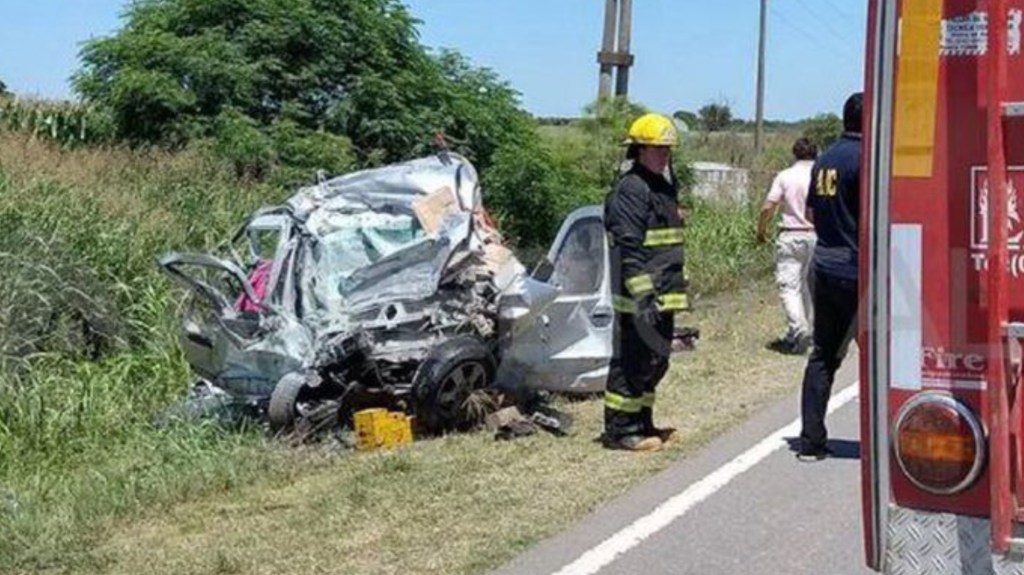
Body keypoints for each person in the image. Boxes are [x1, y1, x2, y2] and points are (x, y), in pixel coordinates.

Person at [603, 113, 689, 452]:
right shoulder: (631, 190)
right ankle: (621, 431)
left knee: (656, 360)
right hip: (640, 296)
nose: (664, 155)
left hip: (664, 293)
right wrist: (643, 296)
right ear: (638, 150)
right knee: (631, 363)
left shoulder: (662, 186)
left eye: (668, 149)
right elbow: (630, 249)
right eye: (657, 149)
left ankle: (644, 422)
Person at [797, 92, 864, 462]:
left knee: (823, 354)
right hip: (857, 269)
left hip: (823, 264)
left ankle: (810, 442)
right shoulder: (865, 159)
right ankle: (882, 442)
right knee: (878, 358)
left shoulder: (824, 160)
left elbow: (810, 212)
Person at [757, 137, 818, 355]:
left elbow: (768, 206)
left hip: (791, 235)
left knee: (789, 287)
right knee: (808, 287)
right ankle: (805, 329)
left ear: (794, 154)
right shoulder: (821, 174)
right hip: (816, 235)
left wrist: (761, 230)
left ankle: (798, 327)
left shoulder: (785, 176)